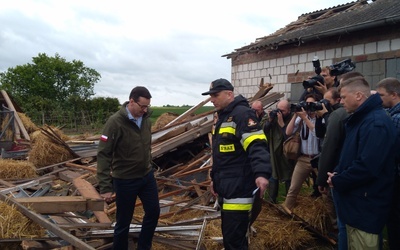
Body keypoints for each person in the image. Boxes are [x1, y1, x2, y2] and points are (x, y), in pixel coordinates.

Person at [327, 76, 397, 250]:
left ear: (358, 96)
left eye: (343, 97)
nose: (341, 101)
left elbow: (367, 167)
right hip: (356, 203)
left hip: (366, 207)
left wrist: (338, 180)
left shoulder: (375, 123)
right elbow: (352, 156)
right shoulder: (362, 119)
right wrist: (339, 172)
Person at [202, 78, 272, 250]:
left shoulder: (242, 115)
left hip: (239, 189)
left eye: (215, 95)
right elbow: (222, 156)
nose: (212, 99)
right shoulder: (223, 117)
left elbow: (257, 145)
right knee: (231, 238)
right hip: (226, 187)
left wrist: (261, 173)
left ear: (229, 94)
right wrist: (214, 179)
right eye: (210, 95)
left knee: (234, 241)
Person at [97, 86, 160, 250]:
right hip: (125, 180)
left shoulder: (146, 119)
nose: (145, 110)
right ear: (131, 101)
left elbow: (146, 146)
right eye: (142, 106)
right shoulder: (114, 123)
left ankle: (144, 247)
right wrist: (105, 186)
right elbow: (104, 154)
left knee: (153, 212)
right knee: (124, 222)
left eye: (147, 106)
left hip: (146, 176)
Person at [283, 94, 320, 211]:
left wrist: (305, 118)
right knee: (293, 188)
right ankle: (286, 211)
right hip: (303, 159)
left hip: (318, 159)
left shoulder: (320, 118)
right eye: (306, 103)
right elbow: (288, 132)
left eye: (310, 104)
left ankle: (334, 223)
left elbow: (317, 133)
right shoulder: (301, 118)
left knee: (324, 190)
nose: (308, 107)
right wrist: (295, 115)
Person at [376, 77, 400, 250]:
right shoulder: (392, 114)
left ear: (394, 94)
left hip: (396, 176)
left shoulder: (396, 118)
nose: (379, 99)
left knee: (395, 218)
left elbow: (390, 149)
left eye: (381, 95)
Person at [261, 99, 294, 203]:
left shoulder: (292, 118)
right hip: (273, 152)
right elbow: (263, 130)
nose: (279, 113)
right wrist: (270, 120)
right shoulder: (272, 117)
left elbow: (291, 136)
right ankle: (271, 200)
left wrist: (282, 124)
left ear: (289, 110)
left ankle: (289, 202)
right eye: (278, 110)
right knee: (273, 175)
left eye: (283, 111)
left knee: (288, 175)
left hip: (287, 153)